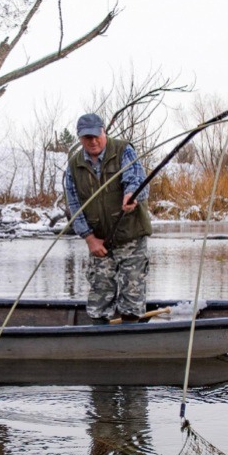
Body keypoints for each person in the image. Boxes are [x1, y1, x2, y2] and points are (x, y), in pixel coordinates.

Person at [63, 113, 152, 324]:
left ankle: (131, 336)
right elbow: (75, 205)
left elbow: (137, 180)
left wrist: (132, 195)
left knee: (132, 292)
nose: (93, 141)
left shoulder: (123, 150)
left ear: (104, 132)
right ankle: (99, 336)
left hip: (130, 234)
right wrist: (89, 238)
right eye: (87, 138)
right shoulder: (74, 165)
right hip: (100, 240)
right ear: (79, 138)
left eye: (96, 135)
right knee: (100, 292)